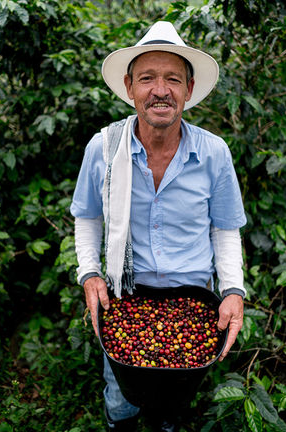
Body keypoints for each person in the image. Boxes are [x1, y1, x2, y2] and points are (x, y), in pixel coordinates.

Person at [70, 21, 247, 432]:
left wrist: (234, 290)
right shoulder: (103, 149)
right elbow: (87, 217)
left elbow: (224, 230)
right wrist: (90, 274)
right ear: (130, 87)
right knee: (120, 399)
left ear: (188, 87)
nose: (160, 90)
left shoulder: (213, 153)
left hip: (192, 302)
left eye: (172, 79)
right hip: (125, 299)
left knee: (173, 402)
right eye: (148, 78)